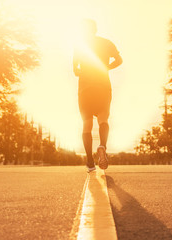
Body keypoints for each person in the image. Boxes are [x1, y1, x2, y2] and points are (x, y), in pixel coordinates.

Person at [73, 19, 123, 172]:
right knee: (103, 119)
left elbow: (75, 71)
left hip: (85, 89)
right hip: (102, 86)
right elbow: (119, 60)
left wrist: (85, 72)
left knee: (87, 125)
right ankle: (102, 145)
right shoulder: (106, 43)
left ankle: (89, 161)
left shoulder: (79, 46)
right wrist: (104, 67)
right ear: (95, 29)